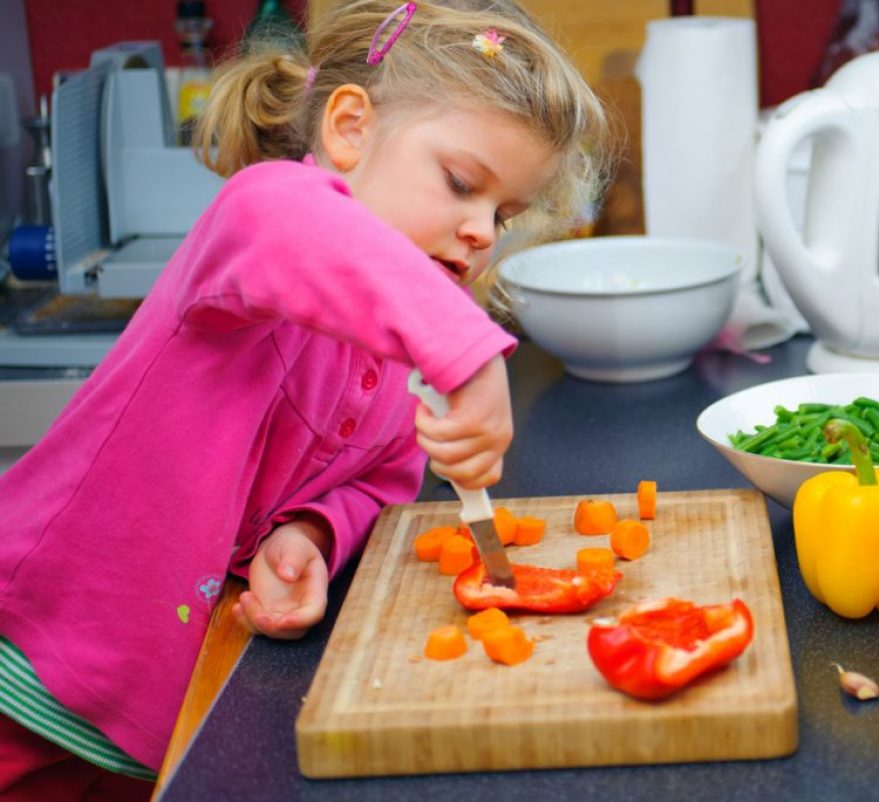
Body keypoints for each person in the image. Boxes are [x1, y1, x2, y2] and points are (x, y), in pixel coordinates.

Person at [0, 1, 614, 798]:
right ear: (349, 128)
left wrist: (312, 535)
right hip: (32, 653)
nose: (483, 233)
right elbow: (292, 222)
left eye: (503, 214)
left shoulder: (402, 362)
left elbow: (381, 482)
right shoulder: (258, 220)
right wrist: (468, 353)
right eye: (462, 184)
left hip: (159, 714)